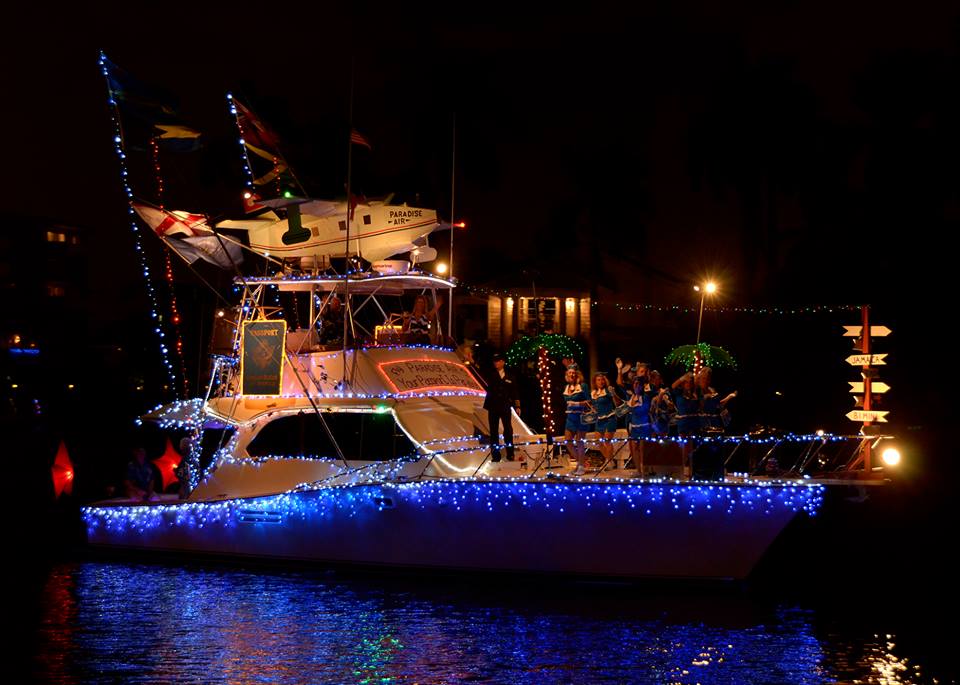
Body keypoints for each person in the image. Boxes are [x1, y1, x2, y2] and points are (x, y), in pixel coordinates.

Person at [483, 352, 521, 462]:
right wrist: (471, 362)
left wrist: (517, 406)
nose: (496, 363)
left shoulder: (510, 376)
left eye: (498, 361)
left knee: (508, 430)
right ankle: (495, 455)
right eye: (495, 361)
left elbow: (515, 392)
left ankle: (510, 453)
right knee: (494, 431)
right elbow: (480, 371)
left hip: (505, 406)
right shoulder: (491, 374)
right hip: (493, 406)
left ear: (503, 362)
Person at [562, 367, 592, 474]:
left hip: (581, 417)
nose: (572, 375)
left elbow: (589, 401)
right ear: (567, 375)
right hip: (570, 417)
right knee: (568, 441)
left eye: (573, 373)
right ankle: (582, 462)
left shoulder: (583, 386)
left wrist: (577, 404)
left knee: (579, 442)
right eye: (569, 373)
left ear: (577, 375)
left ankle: (581, 466)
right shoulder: (567, 387)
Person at [591, 372, 623, 469]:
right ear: (595, 382)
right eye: (598, 380)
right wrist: (592, 410)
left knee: (607, 441)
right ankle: (609, 460)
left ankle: (608, 462)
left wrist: (613, 394)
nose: (601, 381)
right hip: (600, 419)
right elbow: (595, 407)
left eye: (602, 379)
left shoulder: (608, 390)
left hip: (610, 417)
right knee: (597, 441)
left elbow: (617, 403)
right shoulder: (593, 393)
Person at [627, 376, 654, 475]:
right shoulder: (631, 397)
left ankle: (645, 470)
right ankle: (638, 470)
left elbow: (644, 410)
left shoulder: (645, 397)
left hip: (644, 426)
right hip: (634, 427)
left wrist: (634, 408)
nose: (636, 386)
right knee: (635, 449)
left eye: (638, 384)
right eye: (634, 384)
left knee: (643, 449)